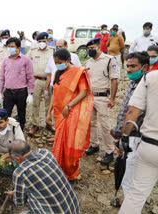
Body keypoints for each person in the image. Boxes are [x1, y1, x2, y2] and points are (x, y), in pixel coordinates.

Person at [46, 48, 93, 182]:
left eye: (59, 62)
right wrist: (48, 112)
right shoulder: (57, 74)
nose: (57, 64)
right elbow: (54, 94)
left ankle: (71, 174)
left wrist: (69, 105)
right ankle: (59, 170)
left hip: (71, 113)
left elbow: (84, 92)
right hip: (58, 113)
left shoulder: (78, 72)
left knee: (70, 144)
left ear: (68, 60)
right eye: (55, 62)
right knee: (59, 142)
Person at [110, 52, 149, 208]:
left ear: (144, 67)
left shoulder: (146, 87)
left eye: (134, 66)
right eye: (128, 66)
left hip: (135, 137)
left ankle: (130, 205)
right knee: (129, 172)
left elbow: (133, 115)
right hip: (127, 135)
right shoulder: (133, 84)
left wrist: (122, 136)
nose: (130, 70)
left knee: (130, 175)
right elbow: (124, 111)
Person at [118, 62, 158, 214]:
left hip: (149, 146)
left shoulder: (150, 78)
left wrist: (124, 138)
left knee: (136, 194)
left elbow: (132, 111)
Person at [5, 139, 81, 214]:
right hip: (74, 207)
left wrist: (14, 194)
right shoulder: (45, 153)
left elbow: (19, 202)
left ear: (17, 159)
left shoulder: (20, 173)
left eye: (13, 160)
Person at [85, 38, 118, 165]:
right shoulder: (88, 62)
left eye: (92, 48)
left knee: (105, 125)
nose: (90, 50)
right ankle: (94, 145)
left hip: (102, 97)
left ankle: (109, 151)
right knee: (91, 123)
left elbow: (114, 80)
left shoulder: (109, 59)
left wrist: (112, 99)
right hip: (89, 96)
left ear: (99, 47)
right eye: (89, 49)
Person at [0, 37, 35, 130]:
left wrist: (30, 93)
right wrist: (0, 92)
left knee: (21, 114)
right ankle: (6, 131)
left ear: (18, 47)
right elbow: (1, 76)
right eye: (9, 46)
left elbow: (30, 77)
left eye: (12, 46)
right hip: (8, 92)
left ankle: (19, 132)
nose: (10, 48)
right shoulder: (6, 60)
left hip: (21, 92)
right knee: (6, 114)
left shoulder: (26, 60)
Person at [27, 32, 54, 135]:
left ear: (47, 41)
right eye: (40, 41)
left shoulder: (52, 51)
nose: (42, 43)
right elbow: (26, 62)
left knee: (49, 104)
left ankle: (48, 122)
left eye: (44, 41)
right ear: (37, 42)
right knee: (35, 103)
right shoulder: (32, 52)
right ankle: (35, 124)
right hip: (37, 81)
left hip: (49, 81)